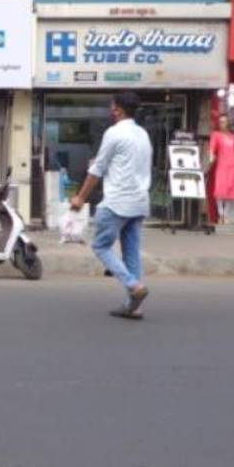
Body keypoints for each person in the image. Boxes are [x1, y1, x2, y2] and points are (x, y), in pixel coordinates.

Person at [70, 91, 152, 319]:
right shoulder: (142, 134)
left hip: (117, 201)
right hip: (139, 201)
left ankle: (133, 286)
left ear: (117, 110)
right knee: (131, 253)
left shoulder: (114, 133)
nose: (110, 109)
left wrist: (80, 198)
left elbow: (97, 169)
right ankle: (134, 306)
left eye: (112, 106)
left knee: (101, 246)